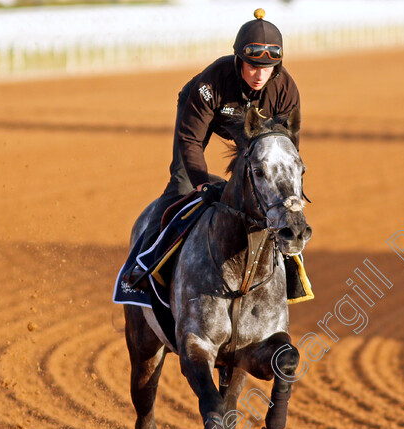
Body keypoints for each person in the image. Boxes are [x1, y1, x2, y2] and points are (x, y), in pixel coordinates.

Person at [124, 8, 307, 298]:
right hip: (205, 117)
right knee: (181, 184)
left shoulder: (285, 90)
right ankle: (145, 261)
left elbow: (287, 154)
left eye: (267, 68)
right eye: (251, 66)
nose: (259, 75)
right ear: (238, 61)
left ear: (278, 66)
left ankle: (291, 267)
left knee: (275, 197)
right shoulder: (212, 82)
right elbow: (190, 140)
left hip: (255, 130)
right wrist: (201, 183)